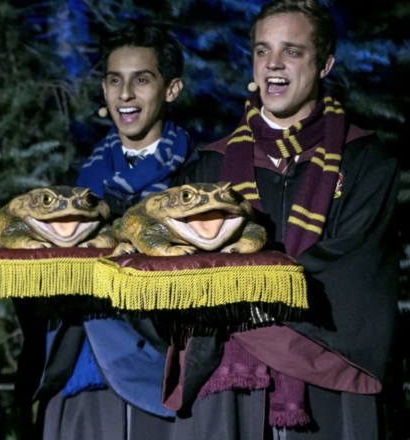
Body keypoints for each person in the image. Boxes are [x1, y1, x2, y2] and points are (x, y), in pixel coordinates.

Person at [171, 1, 398, 438]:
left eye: (291, 51)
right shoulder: (206, 169)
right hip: (226, 391)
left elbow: (355, 271)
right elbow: (179, 271)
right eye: (262, 50)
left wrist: (238, 294)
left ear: (325, 64)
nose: (273, 64)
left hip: (328, 382)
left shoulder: (367, 163)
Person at [13, 24, 194, 439]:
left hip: (156, 384)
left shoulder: (198, 180)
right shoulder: (76, 182)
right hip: (74, 376)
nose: (125, 94)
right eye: (115, 80)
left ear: (172, 89)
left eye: (141, 80)